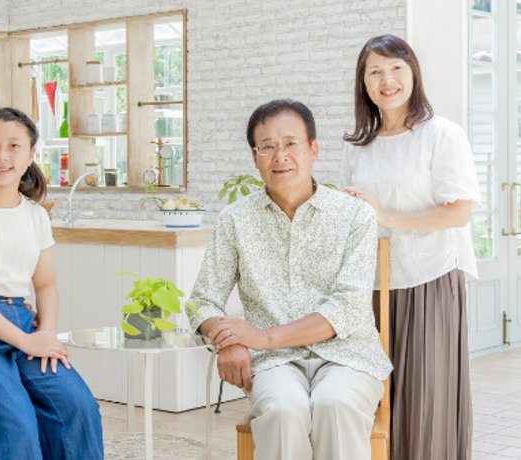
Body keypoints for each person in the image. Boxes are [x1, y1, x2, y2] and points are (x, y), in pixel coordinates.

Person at [192, 99, 393, 460]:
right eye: (267, 147)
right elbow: (203, 300)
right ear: (255, 158)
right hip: (275, 362)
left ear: (313, 149)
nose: (279, 156)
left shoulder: (354, 215)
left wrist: (263, 337)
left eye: (290, 143)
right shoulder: (235, 221)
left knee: (335, 405)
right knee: (285, 410)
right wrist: (227, 342)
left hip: (348, 355)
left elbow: (347, 308)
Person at [339, 34, 479, 460]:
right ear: (363, 82)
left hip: (429, 279)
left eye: (396, 68)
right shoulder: (357, 147)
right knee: (378, 397)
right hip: (374, 285)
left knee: (424, 397)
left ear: (413, 73)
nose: (387, 80)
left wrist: (387, 217)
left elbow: (459, 212)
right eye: (375, 71)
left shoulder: (441, 135)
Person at [0, 107, 103, 459]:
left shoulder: (36, 215)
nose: (2, 156)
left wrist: (46, 335)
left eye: (14, 146)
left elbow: (46, 286)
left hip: (24, 325)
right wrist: (27, 340)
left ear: (31, 154)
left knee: (78, 406)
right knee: (15, 428)